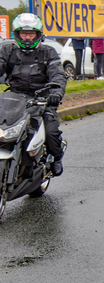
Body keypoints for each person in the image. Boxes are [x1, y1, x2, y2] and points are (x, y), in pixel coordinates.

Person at [0, 13, 66, 176]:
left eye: (31, 34)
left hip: (41, 100)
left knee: (51, 132)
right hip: (14, 99)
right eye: (24, 34)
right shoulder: (7, 50)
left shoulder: (49, 52)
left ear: (38, 34)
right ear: (17, 34)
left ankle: (56, 158)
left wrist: (55, 94)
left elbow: (57, 75)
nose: (27, 38)